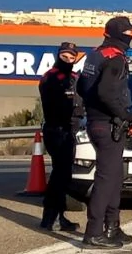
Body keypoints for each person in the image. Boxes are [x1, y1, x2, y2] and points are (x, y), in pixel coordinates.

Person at [76, 16, 132, 249]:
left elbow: (82, 87)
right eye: (129, 32)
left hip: (97, 121)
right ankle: (93, 232)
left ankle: (112, 227)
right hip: (107, 124)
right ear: (119, 34)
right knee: (105, 179)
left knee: (114, 177)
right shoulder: (115, 59)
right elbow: (105, 93)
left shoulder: (95, 54)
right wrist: (125, 115)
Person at [38, 41, 84, 233]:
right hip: (57, 130)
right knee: (59, 175)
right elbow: (54, 104)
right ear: (58, 56)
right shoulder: (51, 78)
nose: (67, 60)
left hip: (70, 130)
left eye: (71, 57)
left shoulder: (74, 78)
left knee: (64, 175)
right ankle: (51, 217)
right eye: (64, 56)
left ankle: (57, 215)